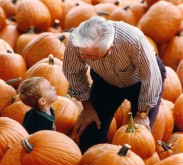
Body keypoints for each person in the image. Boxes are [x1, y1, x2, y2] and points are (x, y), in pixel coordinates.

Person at [63, 16, 166, 154]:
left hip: (141, 82)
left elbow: (150, 77)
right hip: (106, 81)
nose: (85, 58)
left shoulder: (132, 40)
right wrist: (87, 107)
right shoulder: (76, 42)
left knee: (137, 140)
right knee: (89, 136)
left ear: (109, 47)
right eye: (83, 54)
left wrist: (141, 115)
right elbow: (73, 72)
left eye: (91, 56)